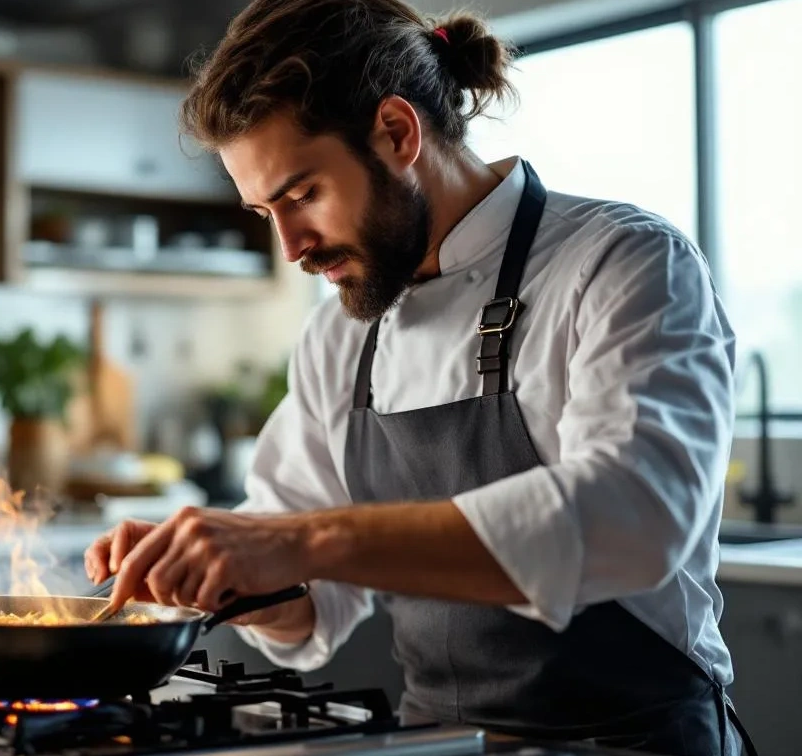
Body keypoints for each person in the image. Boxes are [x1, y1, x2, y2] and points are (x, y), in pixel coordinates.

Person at [82, 1, 756, 754]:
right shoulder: (342, 333)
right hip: (438, 745)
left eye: (303, 194)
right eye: (265, 211)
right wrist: (221, 574)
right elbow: (308, 606)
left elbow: (632, 517)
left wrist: (304, 539)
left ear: (398, 133)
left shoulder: (620, 264)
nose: (292, 247)